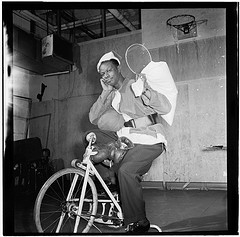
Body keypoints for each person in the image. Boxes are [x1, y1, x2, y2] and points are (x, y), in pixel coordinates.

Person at [86, 51, 172, 233]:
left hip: (150, 140)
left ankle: (139, 221)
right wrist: (105, 92)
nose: (105, 76)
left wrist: (148, 92)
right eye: (102, 74)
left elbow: (165, 107)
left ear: (118, 68)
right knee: (90, 136)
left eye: (108, 70)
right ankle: (113, 182)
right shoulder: (111, 94)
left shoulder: (134, 85)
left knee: (126, 171)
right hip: (127, 141)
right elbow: (93, 117)